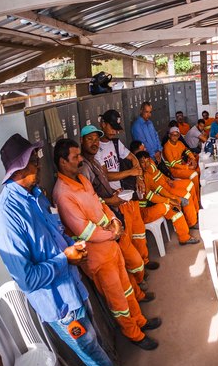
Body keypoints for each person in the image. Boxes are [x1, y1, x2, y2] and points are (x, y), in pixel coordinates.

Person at [0, 134, 117, 366]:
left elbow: (56, 233)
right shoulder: (6, 218)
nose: (38, 164)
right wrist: (64, 259)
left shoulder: (36, 196)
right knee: (95, 359)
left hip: (75, 288)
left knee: (97, 346)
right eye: (33, 160)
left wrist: (72, 245)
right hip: (61, 307)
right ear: (18, 168)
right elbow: (27, 279)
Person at [52, 139, 161, 350]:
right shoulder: (63, 194)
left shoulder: (82, 180)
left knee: (127, 289)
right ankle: (134, 334)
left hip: (111, 247)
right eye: (75, 157)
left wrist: (115, 220)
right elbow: (84, 230)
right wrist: (112, 233)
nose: (80, 159)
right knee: (118, 301)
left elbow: (101, 204)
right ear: (63, 162)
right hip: (98, 258)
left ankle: (140, 321)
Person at [80, 125, 151, 299]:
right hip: (105, 225)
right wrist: (111, 200)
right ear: (81, 141)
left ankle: (139, 288)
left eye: (96, 139)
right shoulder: (84, 169)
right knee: (128, 261)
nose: (95, 143)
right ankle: (138, 291)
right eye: (90, 139)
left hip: (113, 213)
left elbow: (103, 184)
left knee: (128, 258)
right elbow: (92, 198)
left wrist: (114, 195)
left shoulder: (95, 161)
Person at [98, 110, 158, 272]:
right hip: (116, 199)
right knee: (127, 237)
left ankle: (144, 261)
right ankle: (136, 272)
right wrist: (131, 173)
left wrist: (138, 176)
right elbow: (105, 176)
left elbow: (132, 157)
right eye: (111, 127)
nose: (114, 131)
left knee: (139, 232)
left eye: (116, 128)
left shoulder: (116, 143)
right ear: (102, 124)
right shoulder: (97, 149)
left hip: (128, 194)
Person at [136, 151, 199, 246]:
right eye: (142, 162)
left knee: (175, 209)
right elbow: (150, 196)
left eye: (147, 161)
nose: (146, 164)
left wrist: (173, 198)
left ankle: (184, 238)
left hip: (153, 205)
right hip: (142, 212)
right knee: (168, 206)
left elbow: (158, 188)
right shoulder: (138, 179)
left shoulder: (147, 175)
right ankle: (188, 227)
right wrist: (169, 200)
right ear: (137, 163)